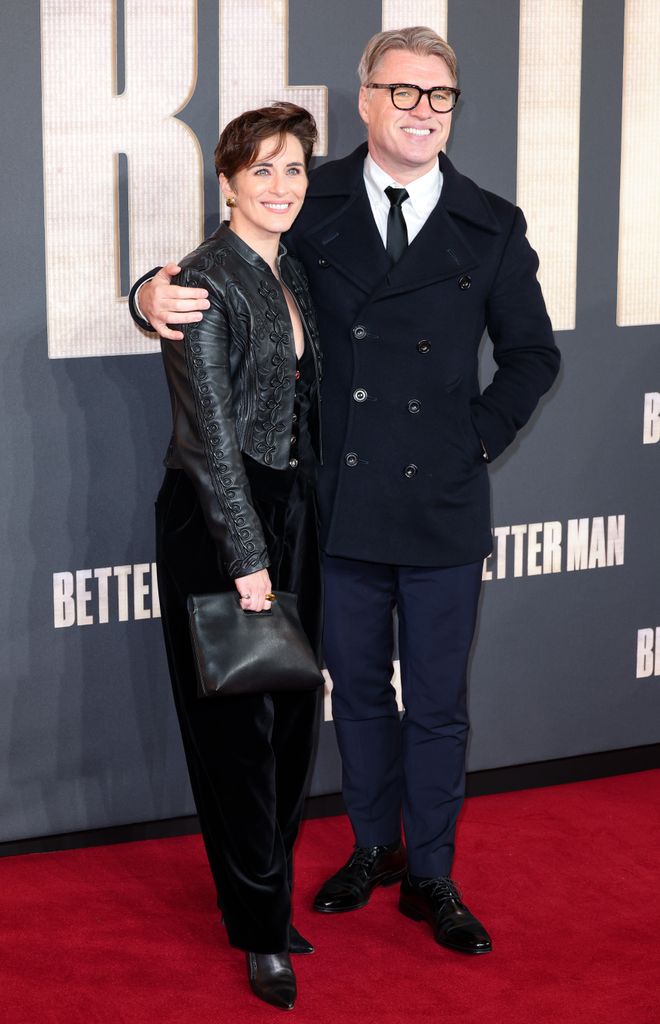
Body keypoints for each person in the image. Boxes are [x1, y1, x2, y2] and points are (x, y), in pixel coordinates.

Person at [131, 27, 561, 958]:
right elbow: (218, 269)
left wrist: (471, 442)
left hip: (441, 502)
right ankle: (371, 848)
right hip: (337, 503)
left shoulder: (492, 222)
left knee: (438, 700)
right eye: (401, 92)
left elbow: (533, 355)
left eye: (438, 96)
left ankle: (434, 871)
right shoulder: (304, 199)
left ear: (454, 109)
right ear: (363, 101)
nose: (421, 111)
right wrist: (145, 295)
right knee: (356, 690)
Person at [149, 102, 322, 1011]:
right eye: (261, 169)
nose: (280, 186)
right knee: (237, 740)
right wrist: (248, 556)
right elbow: (209, 434)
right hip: (220, 525)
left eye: (294, 169)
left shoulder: (287, 267)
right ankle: (259, 933)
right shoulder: (206, 280)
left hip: (290, 513)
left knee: (291, 725)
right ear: (225, 182)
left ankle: (268, 895)